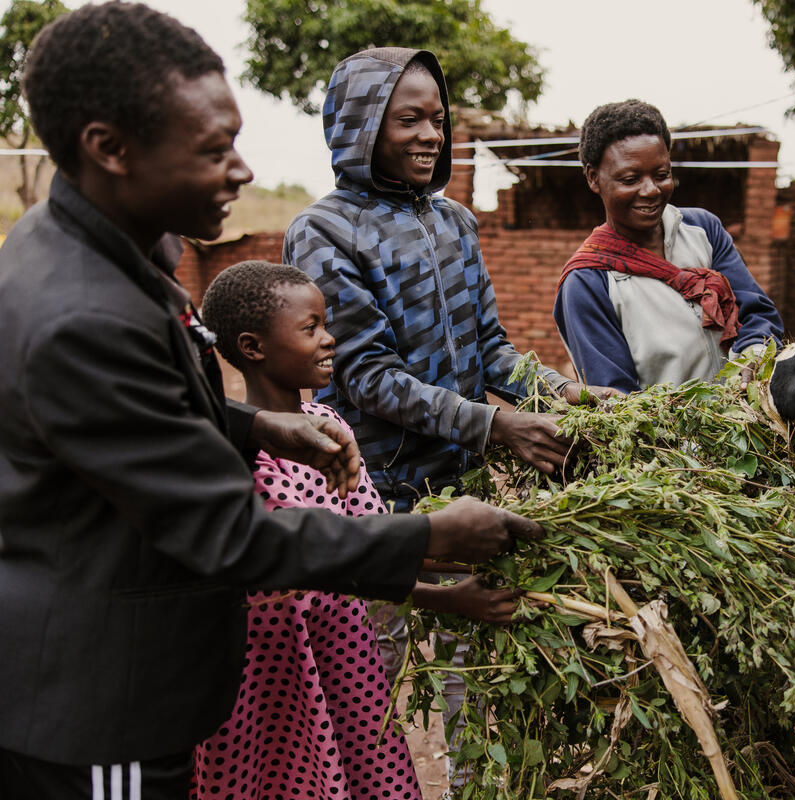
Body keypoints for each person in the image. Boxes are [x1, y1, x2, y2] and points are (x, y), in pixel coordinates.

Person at [0, 6, 537, 799]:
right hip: (101, 700)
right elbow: (229, 534)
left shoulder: (101, 249)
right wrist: (425, 536)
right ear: (109, 149)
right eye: (214, 149)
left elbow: (138, 412)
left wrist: (256, 423)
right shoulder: (84, 314)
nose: (245, 171)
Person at [282, 47, 613, 792]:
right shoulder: (324, 232)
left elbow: (490, 348)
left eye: (438, 118)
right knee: (370, 686)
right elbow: (364, 377)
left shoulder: (455, 222)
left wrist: (560, 394)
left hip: (458, 496)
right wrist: (497, 428)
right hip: (370, 498)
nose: (431, 134)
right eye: (409, 119)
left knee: (475, 688)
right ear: (361, 126)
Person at [195, 261, 525, 800]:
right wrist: (446, 601)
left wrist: (491, 558)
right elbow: (327, 567)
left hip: (348, 659)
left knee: (366, 773)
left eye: (325, 324)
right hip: (276, 673)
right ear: (253, 347)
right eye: (310, 328)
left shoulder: (333, 429)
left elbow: (373, 536)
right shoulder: (243, 463)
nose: (329, 339)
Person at [554, 99, 785, 393]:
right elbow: (617, 403)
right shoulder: (587, 282)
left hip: (747, 423)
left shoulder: (703, 229)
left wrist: (751, 359)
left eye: (661, 175)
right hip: (668, 438)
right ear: (593, 178)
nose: (651, 190)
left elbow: (757, 313)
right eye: (630, 179)